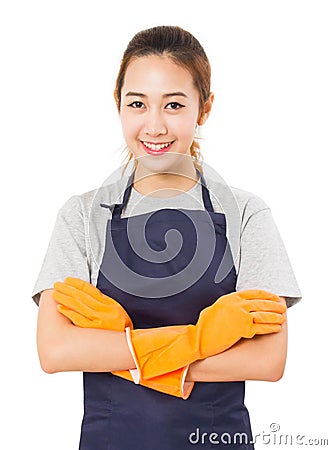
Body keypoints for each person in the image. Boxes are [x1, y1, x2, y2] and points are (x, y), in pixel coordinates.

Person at [33, 25, 302, 450]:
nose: (154, 126)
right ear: (117, 105)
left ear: (205, 108)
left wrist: (118, 350)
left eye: (174, 104)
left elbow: (267, 360)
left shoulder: (245, 214)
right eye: (137, 103)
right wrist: (201, 341)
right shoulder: (83, 215)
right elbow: (56, 351)